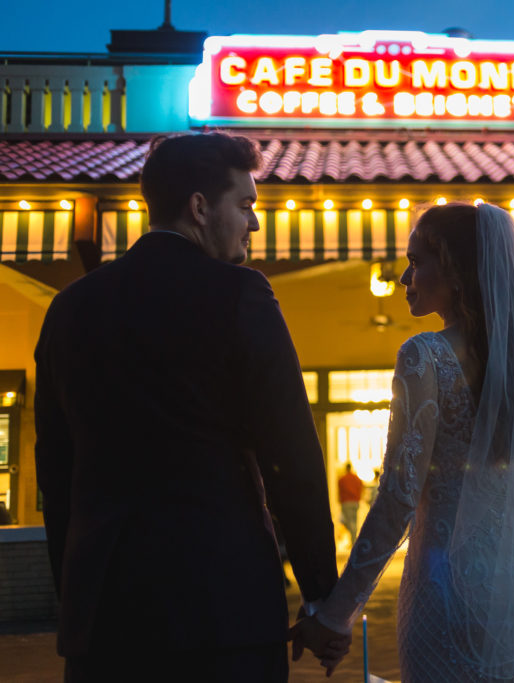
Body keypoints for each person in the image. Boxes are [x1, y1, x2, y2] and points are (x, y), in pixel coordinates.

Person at [33, 133, 343, 682]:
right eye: (245, 205)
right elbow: (290, 455)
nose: (254, 223)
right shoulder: (240, 295)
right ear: (199, 207)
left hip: (104, 620)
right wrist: (321, 596)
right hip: (223, 612)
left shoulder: (69, 309)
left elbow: (55, 473)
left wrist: (76, 594)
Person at [291, 203, 514, 680]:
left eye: (415, 261)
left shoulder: (424, 355)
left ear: (452, 267)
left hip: (451, 582)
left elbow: (398, 497)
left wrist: (335, 614)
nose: (405, 277)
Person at [337, 462, 363, 543]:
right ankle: (354, 539)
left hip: (346, 502)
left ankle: (354, 540)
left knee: (349, 521)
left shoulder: (342, 479)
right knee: (353, 521)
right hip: (355, 502)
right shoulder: (356, 478)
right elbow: (361, 488)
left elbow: (340, 491)